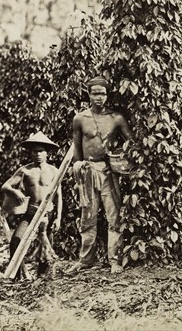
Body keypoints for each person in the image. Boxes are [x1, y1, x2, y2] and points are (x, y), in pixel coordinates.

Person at [70, 76, 133, 274]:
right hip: (88, 173)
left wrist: (120, 157)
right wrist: (78, 170)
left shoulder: (116, 118)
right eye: (95, 93)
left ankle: (115, 260)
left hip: (108, 173)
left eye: (103, 93)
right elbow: (77, 148)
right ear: (89, 95)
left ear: (107, 95)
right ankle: (85, 259)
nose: (99, 97)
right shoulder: (80, 119)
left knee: (113, 217)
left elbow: (131, 143)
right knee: (87, 218)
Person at [1, 131, 62, 280]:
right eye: (35, 151)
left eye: (41, 151)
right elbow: (5, 186)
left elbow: (59, 196)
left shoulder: (54, 171)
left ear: (47, 153)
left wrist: (59, 218)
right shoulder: (25, 170)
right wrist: (16, 193)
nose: (38, 154)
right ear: (31, 153)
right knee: (16, 240)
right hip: (30, 213)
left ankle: (42, 278)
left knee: (46, 248)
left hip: (47, 215)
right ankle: (16, 276)